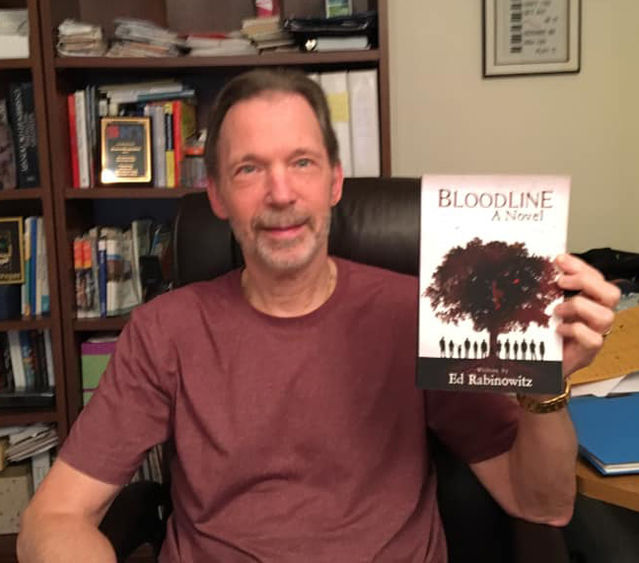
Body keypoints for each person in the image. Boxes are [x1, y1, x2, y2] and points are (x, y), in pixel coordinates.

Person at [17, 69, 620, 562]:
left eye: (301, 162)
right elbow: (53, 520)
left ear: (335, 181)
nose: (281, 193)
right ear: (219, 196)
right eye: (250, 169)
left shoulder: (422, 317)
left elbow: (542, 504)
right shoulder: (166, 330)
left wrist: (545, 382)